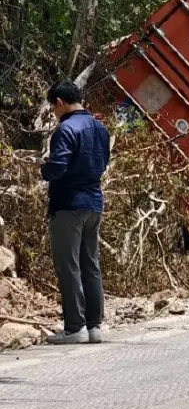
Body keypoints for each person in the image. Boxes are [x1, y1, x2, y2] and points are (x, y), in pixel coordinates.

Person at [40, 80, 109, 344]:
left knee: (69, 267)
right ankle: (94, 327)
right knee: (90, 266)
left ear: (60, 102)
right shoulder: (100, 128)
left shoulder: (65, 129)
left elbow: (57, 167)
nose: (54, 114)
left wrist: (43, 168)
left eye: (53, 108)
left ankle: (74, 328)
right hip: (94, 204)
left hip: (68, 205)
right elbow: (103, 162)